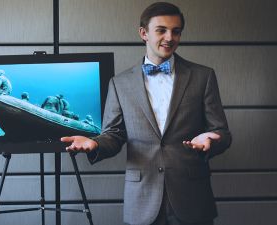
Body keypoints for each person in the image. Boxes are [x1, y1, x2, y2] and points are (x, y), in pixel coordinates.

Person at [61, 2, 232, 225]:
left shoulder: (203, 76)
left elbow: (222, 132)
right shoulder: (119, 83)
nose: (170, 37)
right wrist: (96, 144)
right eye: (161, 30)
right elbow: (114, 135)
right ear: (144, 33)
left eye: (176, 31)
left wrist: (212, 140)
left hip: (192, 198)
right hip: (142, 198)